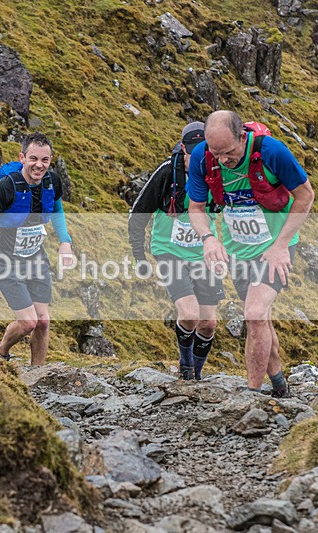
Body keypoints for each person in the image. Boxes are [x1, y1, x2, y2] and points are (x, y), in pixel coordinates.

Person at [186, 110, 315, 397]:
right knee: (261, 318)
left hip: (275, 248)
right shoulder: (202, 158)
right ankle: (281, 387)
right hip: (237, 250)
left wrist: (281, 246)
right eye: (216, 153)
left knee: (255, 314)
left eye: (229, 152)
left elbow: (305, 195)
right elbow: (195, 208)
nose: (223, 160)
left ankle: (252, 395)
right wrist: (208, 238)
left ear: (242, 136)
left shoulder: (271, 151)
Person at [128, 122, 224, 380]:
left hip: (203, 252)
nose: (199, 158)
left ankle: (196, 376)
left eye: (206, 152)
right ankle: (185, 366)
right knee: (190, 314)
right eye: (193, 153)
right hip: (168, 250)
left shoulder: (218, 171)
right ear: (183, 148)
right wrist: (139, 254)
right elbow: (138, 214)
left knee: (208, 323)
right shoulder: (167, 173)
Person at [0, 133, 73, 365]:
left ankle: (37, 373)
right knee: (29, 322)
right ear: (23, 157)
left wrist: (64, 242)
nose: (39, 165)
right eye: (33, 159)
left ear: (50, 160)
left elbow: (57, 211)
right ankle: (1, 352)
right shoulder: (6, 188)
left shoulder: (52, 182)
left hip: (36, 258)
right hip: (6, 261)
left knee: (43, 321)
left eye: (45, 160)